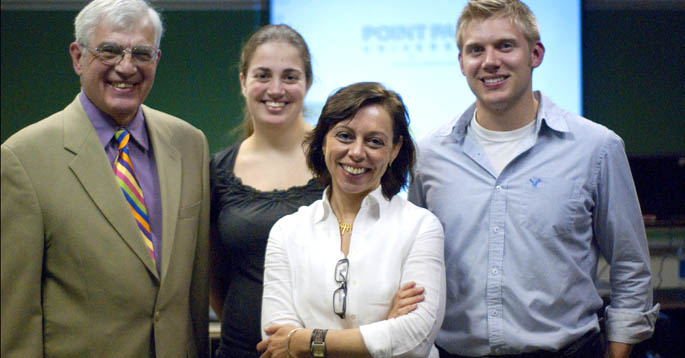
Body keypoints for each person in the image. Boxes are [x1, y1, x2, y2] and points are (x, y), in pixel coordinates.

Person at [408, 1, 659, 357]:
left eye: (505, 46)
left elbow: (630, 267)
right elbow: (415, 265)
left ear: (535, 54)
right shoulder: (428, 155)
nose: (490, 61)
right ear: (462, 63)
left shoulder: (597, 148)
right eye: (476, 50)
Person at [0, 1, 209, 357]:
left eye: (141, 53)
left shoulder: (190, 144)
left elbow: (195, 292)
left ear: (156, 60)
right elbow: (16, 316)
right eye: (109, 51)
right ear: (78, 57)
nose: (126, 67)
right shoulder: (23, 157)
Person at [257, 82, 446, 358]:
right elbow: (277, 346)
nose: (357, 152)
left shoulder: (421, 227)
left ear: (394, 150)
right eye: (345, 136)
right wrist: (384, 330)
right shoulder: (287, 232)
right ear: (323, 140)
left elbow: (415, 342)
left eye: (375, 141)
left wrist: (305, 342)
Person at [208, 24, 324, 358]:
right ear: (243, 81)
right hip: (239, 349)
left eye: (290, 76)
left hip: (321, 350)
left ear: (308, 83)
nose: (276, 89)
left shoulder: (339, 159)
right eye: (263, 75)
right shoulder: (217, 170)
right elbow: (215, 274)